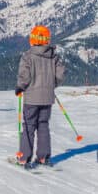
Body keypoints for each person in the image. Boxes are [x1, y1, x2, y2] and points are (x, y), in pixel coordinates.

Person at [15, 25, 65, 168]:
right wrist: (52, 84)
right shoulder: (53, 56)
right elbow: (61, 74)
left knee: (29, 126)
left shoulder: (28, 56)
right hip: (47, 97)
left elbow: (24, 76)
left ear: (33, 39)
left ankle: (24, 158)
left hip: (31, 98)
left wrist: (20, 87)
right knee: (43, 125)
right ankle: (43, 158)